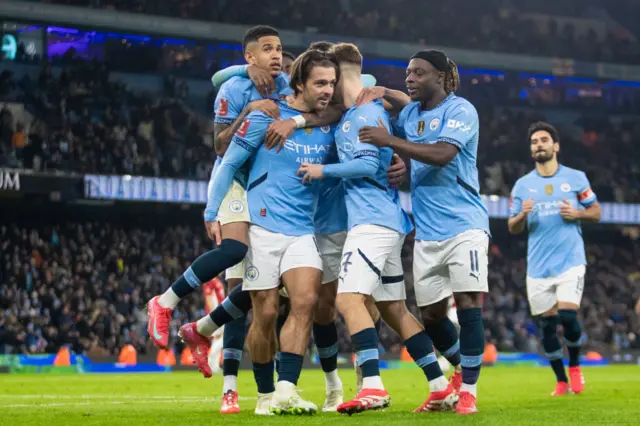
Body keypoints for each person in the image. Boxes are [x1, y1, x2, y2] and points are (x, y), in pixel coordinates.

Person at [298, 43, 456, 415]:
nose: (326, 90)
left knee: (348, 299)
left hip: (371, 222)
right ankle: (439, 387)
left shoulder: (361, 114)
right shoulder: (365, 111)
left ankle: (372, 386)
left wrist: (324, 170)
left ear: (340, 76)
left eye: (329, 80)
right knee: (394, 309)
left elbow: (369, 164)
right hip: (387, 220)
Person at [180, 50, 339, 415]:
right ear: (299, 83)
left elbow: (359, 101)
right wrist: (211, 211)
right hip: (263, 228)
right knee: (264, 314)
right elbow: (228, 163)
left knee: (304, 302)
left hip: (303, 230)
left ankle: (286, 390)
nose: (329, 90)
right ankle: (265, 395)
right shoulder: (266, 115)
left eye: (331, 83)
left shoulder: (329, 120)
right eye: (320, 83)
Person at [147, 25, 290, 415]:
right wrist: (249, 107)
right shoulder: (233, 89)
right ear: (249, 57)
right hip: (232, 183)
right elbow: (219, 145)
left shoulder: (285, 85)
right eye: (267, 49)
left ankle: (203, 330)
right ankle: (166, 303)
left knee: (259, 294)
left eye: (280, 49)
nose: (277, 55)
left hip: (267, 190)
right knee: (236, 257)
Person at [356, 50, 490, 415]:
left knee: (467, 307)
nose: (410, 78)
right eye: (407, 72)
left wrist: (391, 144)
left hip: (466, 226)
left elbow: (442, 153)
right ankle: (462, 370)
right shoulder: (411, 114)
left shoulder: (461, 110)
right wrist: (397, 157)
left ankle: (469, 391)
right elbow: (402, 117)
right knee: (431, 315)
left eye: (419, 73)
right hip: (428, 232)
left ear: (442, 77)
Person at [508, 121, 601, 396]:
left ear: (555, 146)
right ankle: (560, 381)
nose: (539, 144)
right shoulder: (522, 186)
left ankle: (574, 367)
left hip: (570, 261)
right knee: (547, 327)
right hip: (538, 266)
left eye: (544, 140)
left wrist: (578, 214)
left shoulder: (575, 178)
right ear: (531, 149)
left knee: (568, 316)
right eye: (534, 141)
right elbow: (512, 227)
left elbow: (596, 211)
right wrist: (522, 215)